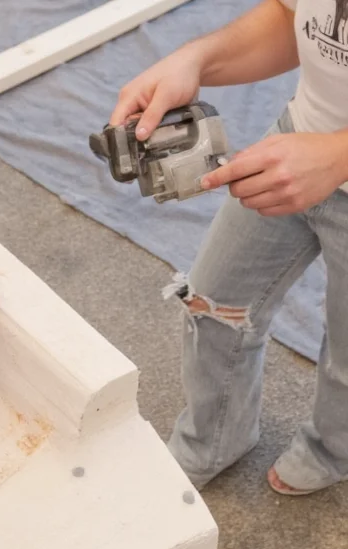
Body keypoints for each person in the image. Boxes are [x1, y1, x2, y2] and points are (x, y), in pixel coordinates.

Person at [111, 0, 348, 496]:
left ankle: (336, 448)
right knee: (214, 301)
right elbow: (292, 17)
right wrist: (196, 59)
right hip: (296, 136)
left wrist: (337, 154)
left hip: (326, 151)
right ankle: (215, 441)